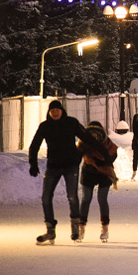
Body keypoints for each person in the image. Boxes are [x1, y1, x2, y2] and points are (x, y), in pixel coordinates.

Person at [29, 100, 107, 244]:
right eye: (52, 111)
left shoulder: (71, 123)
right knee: (46, 197)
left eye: (57, 110)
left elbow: (87, 138)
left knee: (72, 196)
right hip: (53, 165)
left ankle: (75, 228)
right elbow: (34, 145)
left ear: (62, 110)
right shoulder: (45, 126)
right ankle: (50, 230)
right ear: (49, 112)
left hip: (71, 165)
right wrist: (33, 163)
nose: (55, 113)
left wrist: (103, 152)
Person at [77, 121, 118, 243]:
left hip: (104, 173)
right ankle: (81, 228)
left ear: (101, 134)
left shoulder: (108, 144)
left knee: (102, 199)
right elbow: (76, 155)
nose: (94, 136)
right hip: (88, 172)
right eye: (91, 133)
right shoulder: (83, 144)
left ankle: (105, 228)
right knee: (85, 199)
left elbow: (111, 157)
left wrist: (100, 161)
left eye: (96, 133)